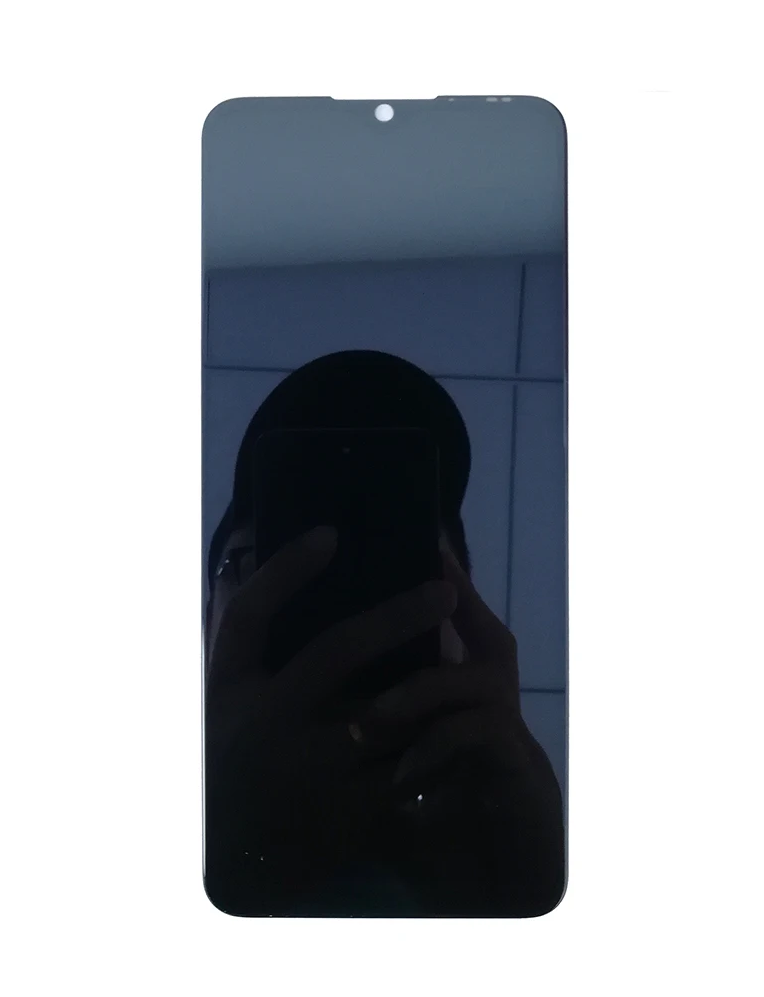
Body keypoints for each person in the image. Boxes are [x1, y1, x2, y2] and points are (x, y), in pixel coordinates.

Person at [203, 350, 564, 916]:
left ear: (466, 624)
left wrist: (532, 903)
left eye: (397, 562)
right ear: (207, 629)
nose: (343, 597)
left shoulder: (512, 869)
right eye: (266, 560)